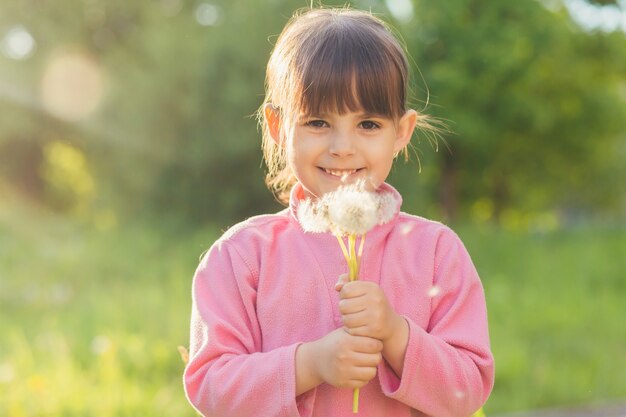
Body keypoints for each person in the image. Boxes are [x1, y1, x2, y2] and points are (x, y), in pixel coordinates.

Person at [183, 7, 494, 417]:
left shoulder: (436, 252)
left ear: (401, 131)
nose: (342, 147)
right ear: (278, 127)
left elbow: (468, 391)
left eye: (367, 124)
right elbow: (211, 388)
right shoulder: (241, 257)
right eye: (317, 122)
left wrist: (395, 334)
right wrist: (308, 364)